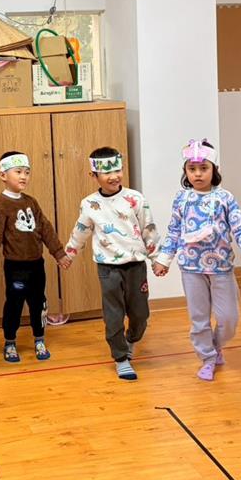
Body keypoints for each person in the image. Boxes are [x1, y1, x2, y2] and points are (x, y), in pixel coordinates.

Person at [155, 140, 241, 382]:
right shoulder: (181, 198)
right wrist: (164, 258)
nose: (198, 174)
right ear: (185, 171)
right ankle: (207, 358)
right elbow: (174, 230)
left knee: (228, 318)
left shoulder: (225, 198)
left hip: (221, 268)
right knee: (199, 320)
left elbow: (240, 229)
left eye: (203, 168)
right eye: (192, 169)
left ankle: (215, 346)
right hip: (191, 268)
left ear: (214, 169)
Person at [65, 146, 158, 381]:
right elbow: (81, 230)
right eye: (107, 172)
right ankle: (120, 357)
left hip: (136, 265)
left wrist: (157, 259)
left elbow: (148, 230)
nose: (114, 176)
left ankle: (131, 339)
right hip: (108, 268)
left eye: (117, 170)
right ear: (94, 175)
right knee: (113, 315)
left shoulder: (135, 199)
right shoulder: (89, 204)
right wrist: (70, 253)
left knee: (140, 314)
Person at [0, 151, 70, 363]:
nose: (24, 176)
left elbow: (46, 229)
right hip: (16, 268)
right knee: (14, 303)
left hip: (36, 265)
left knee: (38, 302)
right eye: (18, 172)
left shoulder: (31, 202)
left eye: (27, 172)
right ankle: (10, 341)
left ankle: (39, 338)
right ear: (3, 175)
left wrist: (59, 253)